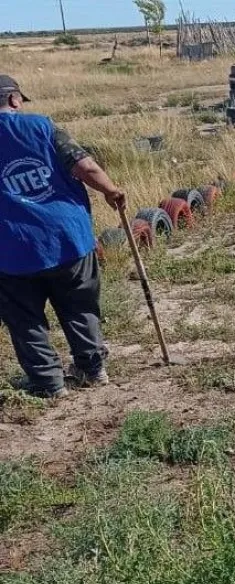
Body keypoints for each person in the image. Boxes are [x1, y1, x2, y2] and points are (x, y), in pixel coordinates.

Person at [0, 75, 126, 399]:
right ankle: (92, 368)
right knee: (79, 304)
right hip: (66, 238)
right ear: (14, 100)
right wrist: (111, 191)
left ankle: (47, 383)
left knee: (24, 318)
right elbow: (86, 167)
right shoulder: (43, 127)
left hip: (12, 249)